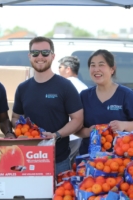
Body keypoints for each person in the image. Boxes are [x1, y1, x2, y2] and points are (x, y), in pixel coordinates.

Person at [11, 37, 84, 175]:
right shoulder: (23, 88)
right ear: (29, 56)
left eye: (45, 52)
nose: (40, 57)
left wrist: (56, 135)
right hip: (28, 160)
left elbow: (78, 119)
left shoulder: (65, 86)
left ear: (52, 56)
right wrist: (22, 129)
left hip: (58, 162)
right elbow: (15, 117)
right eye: (35, 53)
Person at [75, 49, 133, 155]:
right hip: (89, 159)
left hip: (119, 158)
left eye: (101, 65)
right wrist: (88, 131)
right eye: (93, 65)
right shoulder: (84, 96)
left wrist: (123, 125)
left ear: (112, 69)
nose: (96, 69)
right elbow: (76, 128)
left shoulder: (126, 94)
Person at [58, 56, 88, 163]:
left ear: (68, 69)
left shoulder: (64, 86)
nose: (58, 70)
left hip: (67, 136)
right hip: (79, 136)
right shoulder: (84, 87)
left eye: (60, 67)